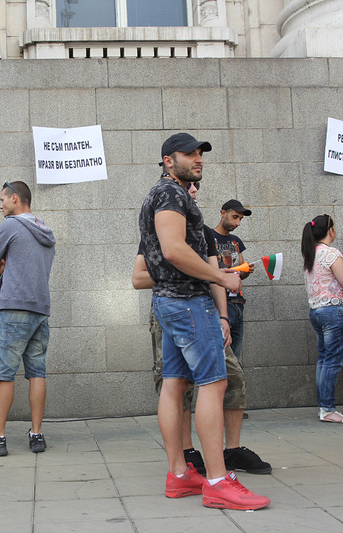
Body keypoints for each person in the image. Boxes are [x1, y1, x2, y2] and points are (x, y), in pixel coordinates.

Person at [139, 133, 268, 510]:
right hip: (188, 303)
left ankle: (180, 475)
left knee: (175, 385)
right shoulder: (171, 194)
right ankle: (217, 480)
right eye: (189, 154)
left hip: (171, 302)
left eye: (200, 153)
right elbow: (174, 249)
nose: (197, 159)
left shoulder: (167, 194)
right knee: (214, 383)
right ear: (167, 160)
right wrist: (220, 276)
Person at [0, 181, 56, 456]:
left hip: (15, 308)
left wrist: (1, 263)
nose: (0, 205)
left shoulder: (11, 225)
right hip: (40, 309)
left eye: (2, 200)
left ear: (16, 198)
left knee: (4, 374)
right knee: (36, 373)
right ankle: (37, 434)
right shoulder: (46, 230)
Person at [301, 214, 343, 424]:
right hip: (334, 311)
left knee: (324, 360)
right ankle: (327, 408)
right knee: (332, 361)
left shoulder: (310, 254)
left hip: (317, 311)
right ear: (330, 230)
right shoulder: (331, 253)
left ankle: (325, 407)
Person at [210, 199, 252, 361]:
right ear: (223, 213)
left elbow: (241, 272)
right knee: (221, 356)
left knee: (235, 357)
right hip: (219, 304)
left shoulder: (236, 241)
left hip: (238, 303)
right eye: (235, 217)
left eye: (240, 219)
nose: (238, 222)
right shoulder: (209, 237)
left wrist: (246, 270)